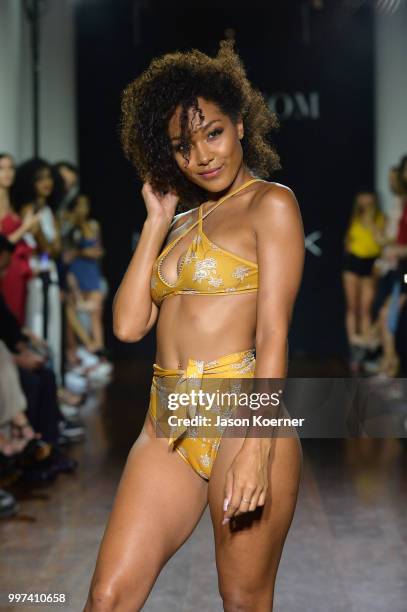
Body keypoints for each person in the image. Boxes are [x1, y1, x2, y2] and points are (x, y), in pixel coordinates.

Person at [84, 41, 304, 611]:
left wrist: (259, 450)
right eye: (182, 147)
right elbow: (129, 324)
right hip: (166, 426)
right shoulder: (178, 222)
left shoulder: (270, 205)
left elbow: (273, 334)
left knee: (242, 601)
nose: (202, 156)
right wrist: (156, 220)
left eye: (213, 134)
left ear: (240, 125)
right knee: (107, 599)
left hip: (241, 419)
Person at [342, 190, 385, 372]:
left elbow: (380, 241)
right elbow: (348, 239)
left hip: (370, 263)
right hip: (353, 262)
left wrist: (371, 223)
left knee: (365, 308)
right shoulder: (354, 217)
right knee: (353, 307)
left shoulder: (380, 218)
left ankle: (366, 348)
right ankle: (354, 349)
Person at [0, 153, 39, 324]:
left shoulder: (13, 201)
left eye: (11, 168)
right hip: (5, 268)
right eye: (2, 168)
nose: (8, 173)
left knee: (17, 319)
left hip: (18, 268)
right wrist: (24, 227)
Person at [67, 194, 106, 352]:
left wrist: (85, 252)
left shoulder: (93, 225)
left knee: (95, 312)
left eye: (85, 205)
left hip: (91, 272)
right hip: (75, 271)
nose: (83, 209)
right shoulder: (69, 226)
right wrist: (82, 252)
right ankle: (76, 352)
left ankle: (99, 348)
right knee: (74, 312)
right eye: (80, 205)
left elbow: (98, 250)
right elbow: (67, 253)